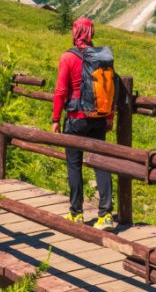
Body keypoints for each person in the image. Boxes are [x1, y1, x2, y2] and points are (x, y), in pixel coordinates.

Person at [51, 17, 116, 230]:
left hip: (76, 118)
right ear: (91, 33)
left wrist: (55, 119)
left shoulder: (68, 58)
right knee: (101, 163)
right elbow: (110, 89)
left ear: (75, 32)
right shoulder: (102, 57)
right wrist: (109, 117)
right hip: (98, 117)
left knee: (74, 163)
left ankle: (76, 213)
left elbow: (61, 91)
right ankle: (106, 215)